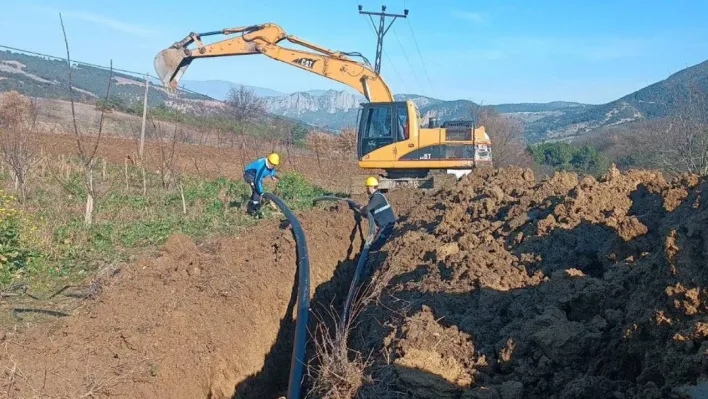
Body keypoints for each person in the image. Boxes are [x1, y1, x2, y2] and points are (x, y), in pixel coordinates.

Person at [357, 176, 397, 251]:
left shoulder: (378, 197)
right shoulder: (376, 197)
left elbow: (367, 210)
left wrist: (362, 209)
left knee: (375, 247)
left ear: (371, 187)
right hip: (385, 226)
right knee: (374, 246)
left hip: (387, 227)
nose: (366, 189)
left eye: (367, 187)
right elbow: (368, 213)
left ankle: (371, 259)